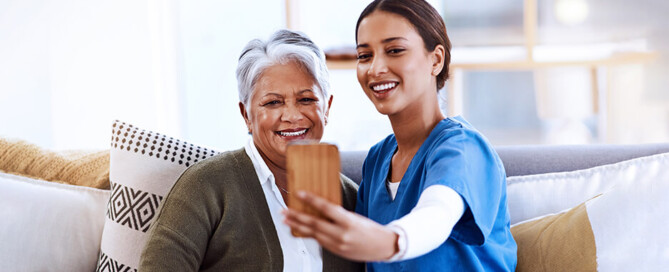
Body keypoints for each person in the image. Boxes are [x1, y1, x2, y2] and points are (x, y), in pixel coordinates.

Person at [282, 0, 518, 271]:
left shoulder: (463, 148)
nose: (375, 68)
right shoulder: (378, 159)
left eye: (395, 50)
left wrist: (389, 241)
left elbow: (438, 212)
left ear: (436, 59)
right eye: (364, 55)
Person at [139, 30, 364, 272]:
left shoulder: (352, 199)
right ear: (246, 114)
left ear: (327, 108)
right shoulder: (205, 186)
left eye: (307, 99)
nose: (292, 116)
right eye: (273, 102)